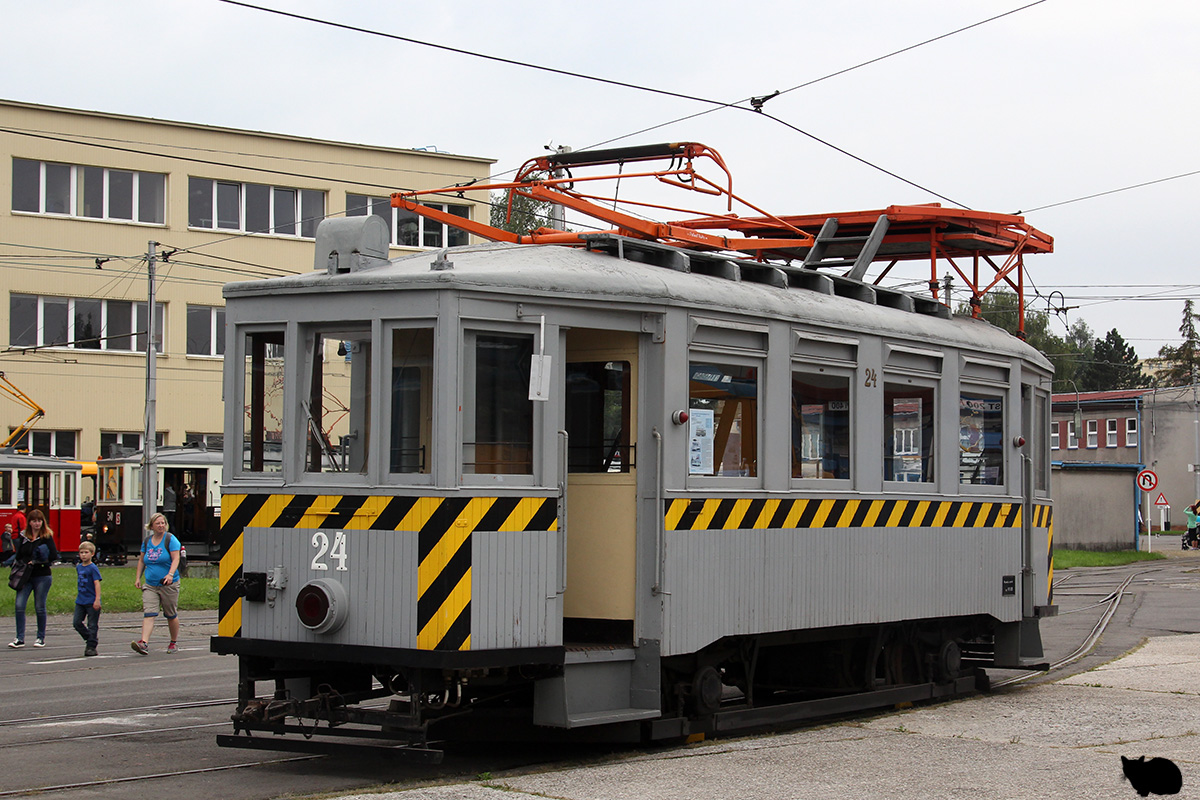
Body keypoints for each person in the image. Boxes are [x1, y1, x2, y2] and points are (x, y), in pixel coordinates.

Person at [5, 509, 57, 648]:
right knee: (19, 605)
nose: (37, 524)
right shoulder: (24, 536)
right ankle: (19, 638)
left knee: (40, 607)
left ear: (42, 522)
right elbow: (19, 554)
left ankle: (40, 638)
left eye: (39, 521)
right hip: (26, 576)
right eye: (34, 521)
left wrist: (39, 561)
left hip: (42, 575)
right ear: (29, 522)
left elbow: (53, 555)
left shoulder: (46, 536)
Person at [131, 513, 181, 655]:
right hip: (151, 584)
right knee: (149, 613)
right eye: (158, 523)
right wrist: (138, 578)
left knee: (170, 614)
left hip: (168, 584)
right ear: (151, 526)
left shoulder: (170, 539)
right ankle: (144, 643)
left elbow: (176, 558)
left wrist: (170, 574)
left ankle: (173, 642)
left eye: (163, 523)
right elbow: (141, 560)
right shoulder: (147, 541)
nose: (161, 526)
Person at [73, 540, 102, 656]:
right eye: (81, 552)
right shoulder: (79, 567)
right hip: (81, 600)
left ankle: (91, 646)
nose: (83, 555)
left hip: (91, 600)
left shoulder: (93, 568)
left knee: (92, 624)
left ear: (92, 554)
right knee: (77, 622)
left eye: (86, 552)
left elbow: (97, 584)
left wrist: (97, 599)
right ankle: (89, 638)